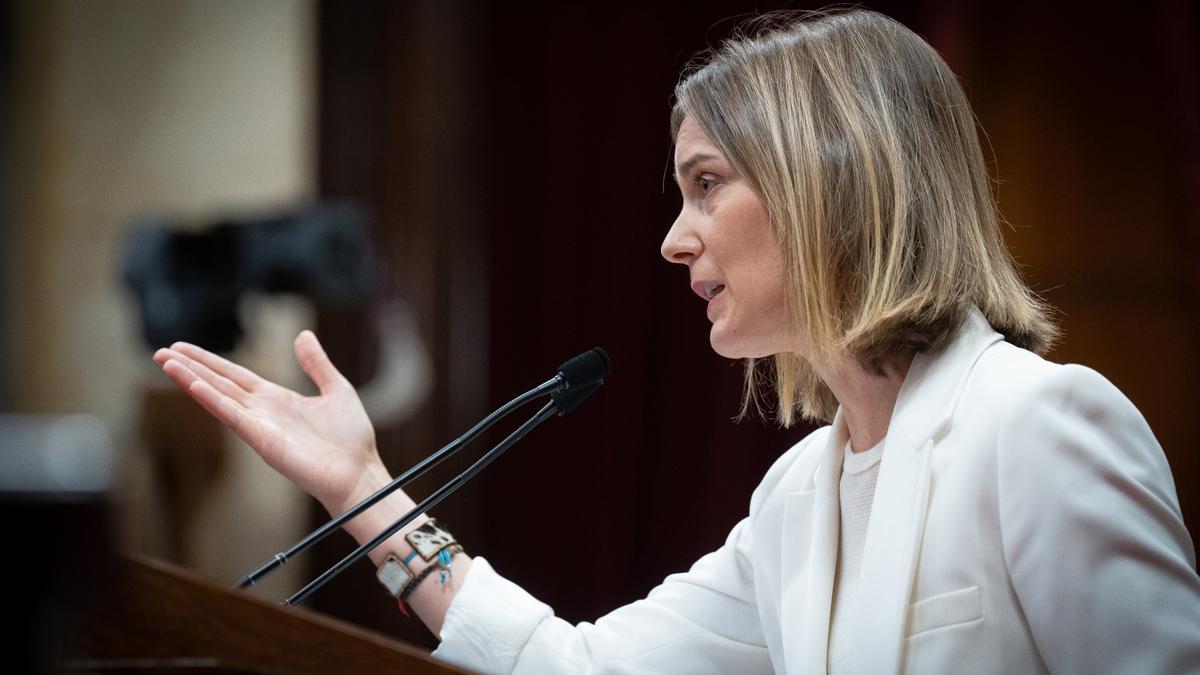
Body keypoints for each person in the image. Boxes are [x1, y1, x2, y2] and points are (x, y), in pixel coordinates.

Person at [152, 7, 1200, 674]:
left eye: (707, 184)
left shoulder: (1040, 424)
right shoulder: (800, 498)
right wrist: (362, 492)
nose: (672, 239)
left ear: (826, 178)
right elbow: (572, 669)